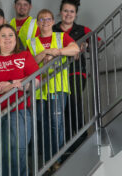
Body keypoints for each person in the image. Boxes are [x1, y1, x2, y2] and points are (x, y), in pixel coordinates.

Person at [0, 24, 40, 176]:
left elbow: (34, 82)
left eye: (10, 35)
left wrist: (9, 83)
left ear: (16, 39)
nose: (7, 39)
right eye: (3, 35)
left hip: (18, 111)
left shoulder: (24, 56)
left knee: (17, 152)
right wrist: (10, 87)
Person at [26, 9, 79, 162]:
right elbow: (29, 64)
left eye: (48, 19)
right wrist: (45, 53)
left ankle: (59, 159)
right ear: (37, 23)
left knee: (57, 123)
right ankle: (50, 161)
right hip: (39, 91)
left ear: (53, 21)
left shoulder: (61, 36)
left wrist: (58, 51)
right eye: (42, 20)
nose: (45, 22)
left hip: (58, 87)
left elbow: (75, 48)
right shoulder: (32, 42)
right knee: (44, 126)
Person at [52, 0, 100, 155]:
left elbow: (98, 43)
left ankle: (82, 138)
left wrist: (85, 46)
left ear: (76, 14)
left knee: (74, 102)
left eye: (71, 11)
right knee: (61, 109)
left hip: (76, 72)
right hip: (56, 76)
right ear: (60, 12)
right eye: (65, 11)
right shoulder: (53, 29)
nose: (68, 14)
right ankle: (68, 144)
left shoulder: (82, 30)